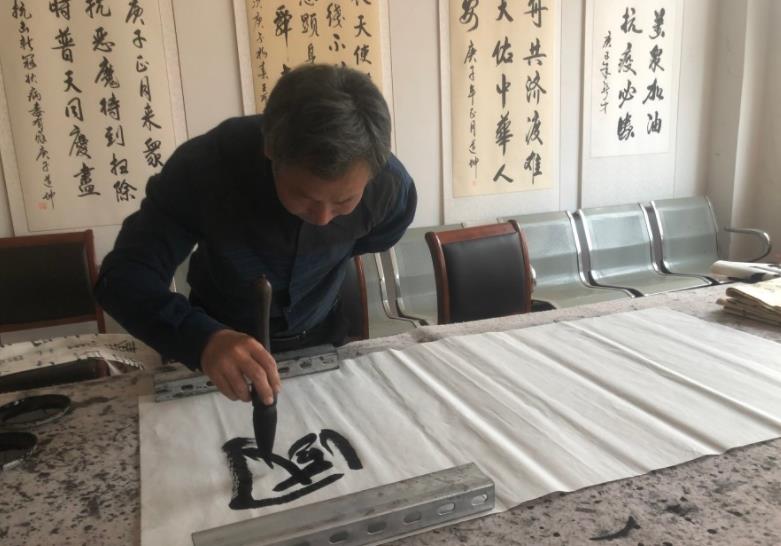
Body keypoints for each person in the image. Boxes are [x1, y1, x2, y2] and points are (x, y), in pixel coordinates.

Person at [95, 64, 417, 406]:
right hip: (219, 350)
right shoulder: (204, 168)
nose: (323, 219)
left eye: (343, 201)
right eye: (304, 196)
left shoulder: (389, 187)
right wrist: (201, 339)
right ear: (271, 149)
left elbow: (374, 239)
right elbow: (123, 277)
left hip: (322, 338)